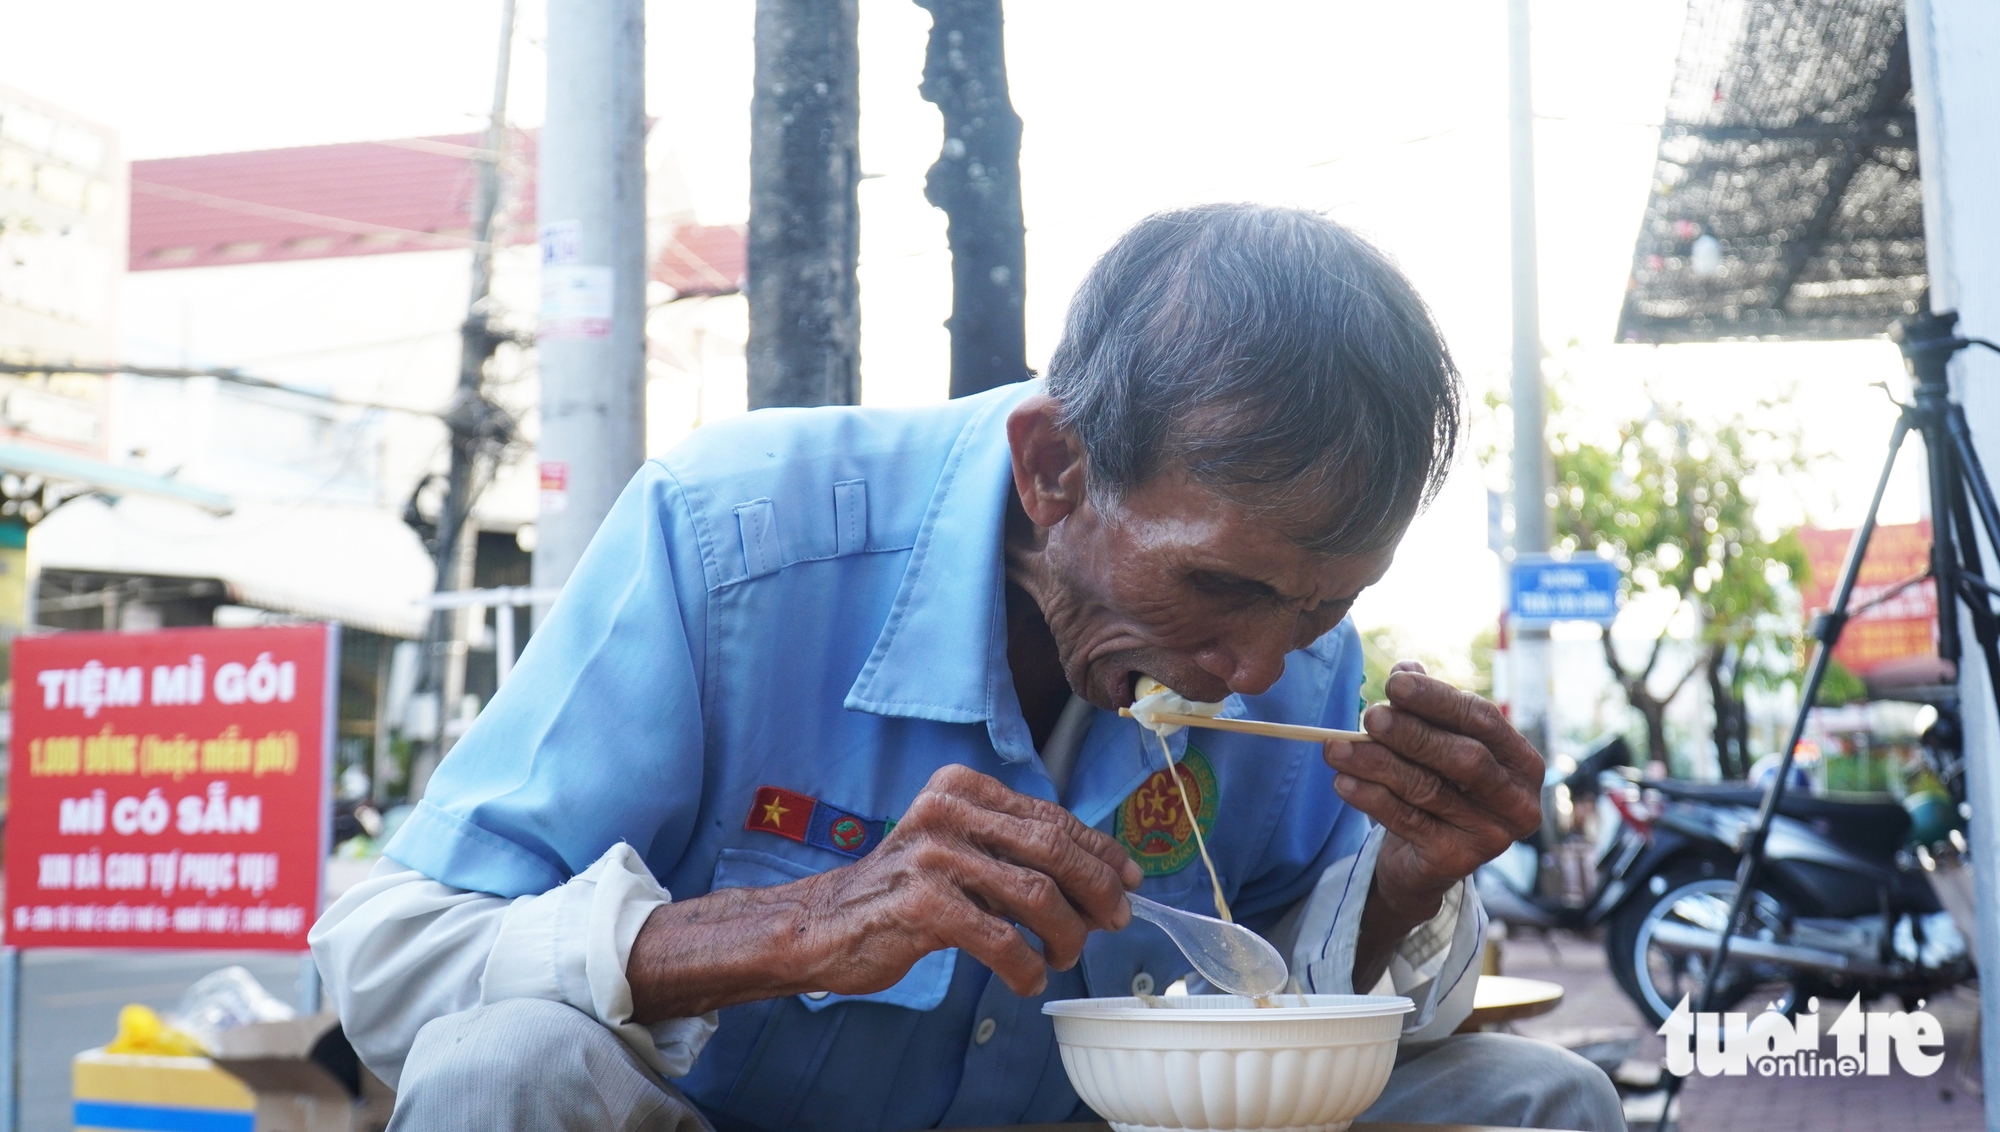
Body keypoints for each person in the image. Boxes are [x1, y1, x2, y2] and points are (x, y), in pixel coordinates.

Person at [313, 204, 1624, 1132]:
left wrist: (1399, 889)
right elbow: (383, 965)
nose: (1253, 666)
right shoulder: (735, 542)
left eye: (1327, 605)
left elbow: (1265, 1008)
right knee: (510, 1066)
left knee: (1537, 1104)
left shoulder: (1295, 651)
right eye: (1216, 586)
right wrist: (792, 926)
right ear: (1055, 468)